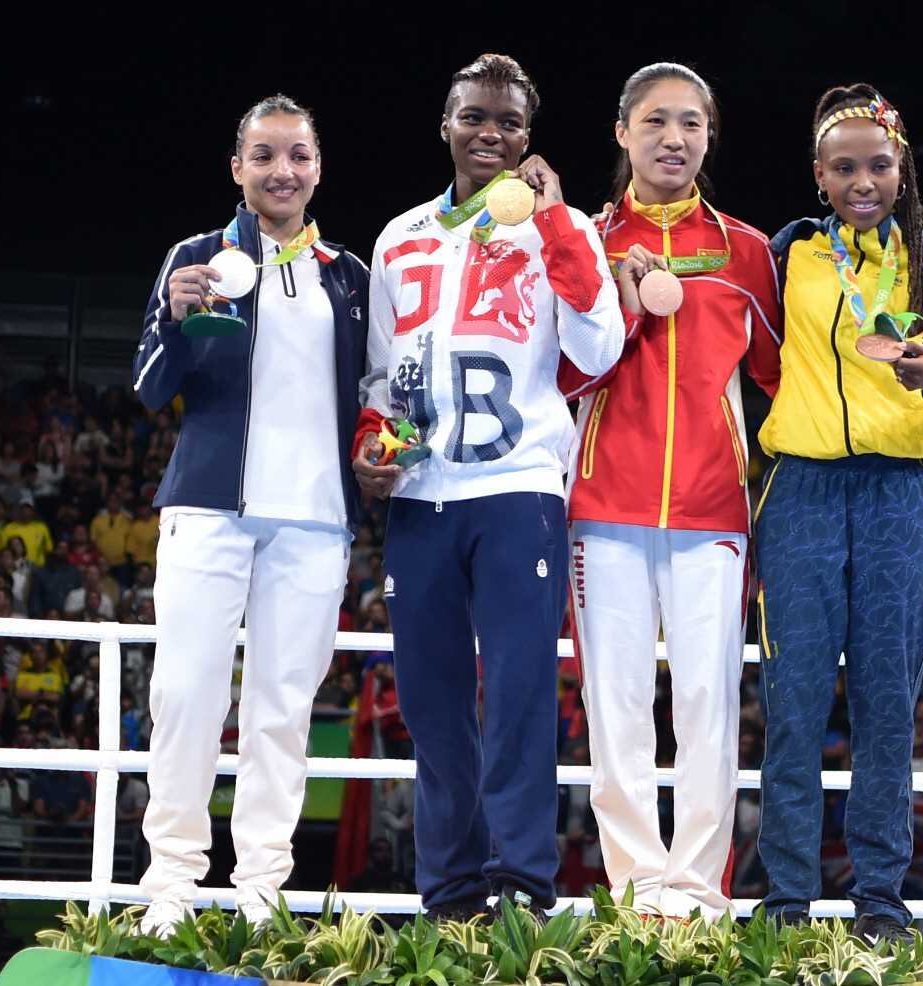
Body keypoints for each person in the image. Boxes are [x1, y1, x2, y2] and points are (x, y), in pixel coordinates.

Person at [353, 53, 623, 921]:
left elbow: (600, 346)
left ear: (528, 135)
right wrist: (371, 446)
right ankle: (449, 894)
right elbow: (380, 375)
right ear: (446, 125)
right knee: (432, 706)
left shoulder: (560, 227)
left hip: (518, 490)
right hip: (421, 496)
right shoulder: (398, 237)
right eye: (474, 116)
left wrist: (557, 223)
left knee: (517, 697)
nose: (490, 133)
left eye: (508, 122)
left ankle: (522, 888)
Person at [755, 83, 923, 942]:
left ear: (902, 170)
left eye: (880, 166)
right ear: (819, 175)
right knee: (793, 703)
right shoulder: (788, 255)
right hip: (802, 492)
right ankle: (786, 903)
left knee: (887, 705)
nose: (864, 182)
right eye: (845, 168)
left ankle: (881, 903)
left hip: (900, 496)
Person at [131, 94, 368, 935]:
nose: (282, 171)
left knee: (283, 710)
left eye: (298, 155)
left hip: (314, 521)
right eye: (264, 155)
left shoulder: (349, 275)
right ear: (238, 168)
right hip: (208, 511)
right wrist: (174, 318)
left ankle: (261, 889)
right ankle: (170, 885)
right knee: (186, 695)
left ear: (318, 167)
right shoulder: (195, 258)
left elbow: (375, 396)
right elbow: (149, 387)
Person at [561, 63, 780, 919]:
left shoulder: (747, 253)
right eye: (655, 121)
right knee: (614, 705)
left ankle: (697, 891)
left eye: (691, 122)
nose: (674, 138)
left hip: (712, 506)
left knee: (707, 704)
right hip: (603, 504)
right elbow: (561, 374)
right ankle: (637, 889)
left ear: (709, 136)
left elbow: (781, 380)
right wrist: (620, 304)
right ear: (622, 132)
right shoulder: (584, 242)